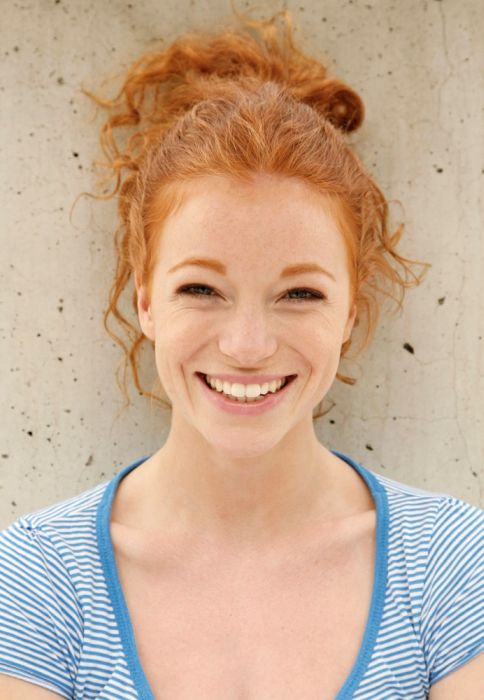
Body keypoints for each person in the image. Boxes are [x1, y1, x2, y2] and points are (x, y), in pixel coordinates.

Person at [0, 7, 482, 700]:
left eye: (300, 295)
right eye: (202, 288)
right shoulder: (40, 576)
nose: (247, 346)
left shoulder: (452, 565)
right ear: (145, 301)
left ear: (350, 311)